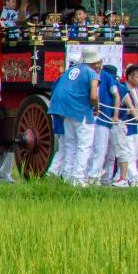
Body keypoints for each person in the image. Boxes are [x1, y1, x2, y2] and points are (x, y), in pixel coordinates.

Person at [49, 48, 100, 185]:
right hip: (82, 111)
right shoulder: (92, 73)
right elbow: (94, 96)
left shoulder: (70, 71)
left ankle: (67, 176)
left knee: (70, 145)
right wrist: (97, 108)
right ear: (95, 61)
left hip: (66, 112)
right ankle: (78, 178)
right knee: (84, 146)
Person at [113, 63, 138, 186]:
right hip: (126, 125)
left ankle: (121, 177)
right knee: (127, 154)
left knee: (133, 154)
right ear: (129, 77)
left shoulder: (136, 90)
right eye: (137, 77)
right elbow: (124, 108)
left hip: (134, 127)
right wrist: (136, 115)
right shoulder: (124, 89)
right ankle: (133, 179)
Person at [90, 52, 124, 184]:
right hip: (90, 117)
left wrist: (115, 115)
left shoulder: (107, 77)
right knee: (90, 148)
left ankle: (99, 178)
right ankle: (89, 176)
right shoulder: (88, 75)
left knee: (102, 150)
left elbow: (116, 96)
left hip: (104, 119)